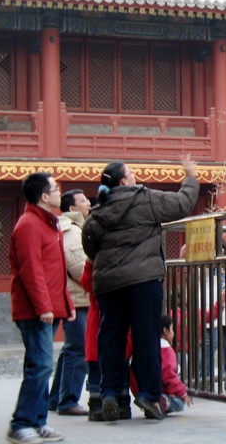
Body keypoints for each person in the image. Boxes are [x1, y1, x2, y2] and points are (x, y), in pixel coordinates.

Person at [83, 156, 199, 421]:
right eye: (132, 173)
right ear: (124, 181)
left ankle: (110, 392)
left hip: (109, 283)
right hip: (143, 280)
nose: (136, 176)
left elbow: (89, 243)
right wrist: (191, 177)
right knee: (146, 335)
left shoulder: (98, 211)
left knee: (111, 335)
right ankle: (149, 394)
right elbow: (181, 203)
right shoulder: (145, 199)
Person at [7, 172, 74, 444]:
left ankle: (38, 422)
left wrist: (66, 304)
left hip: (49, 306)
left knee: (41, 366)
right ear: (44, 196)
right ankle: (21, 423)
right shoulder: (29, 225)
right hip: (35, 310)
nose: (60, 193)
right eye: (55, 189)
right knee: (40, 365)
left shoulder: (49, 224)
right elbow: (31, 271)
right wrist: (43, 307)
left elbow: (57, 270)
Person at [48, 190, 92, 417]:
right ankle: (68, 400)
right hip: (77, 298)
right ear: (72, 209)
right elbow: (78, 267)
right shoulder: (71, 232)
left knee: (69, 350)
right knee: (77, 349)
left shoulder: (75, 229)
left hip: (76, 297)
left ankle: (56, 398)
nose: (88, 203)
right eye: (84, 201)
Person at [130, 315, 193, 415]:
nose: (173, 332)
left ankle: (151, 403)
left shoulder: (145, 348)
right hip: (159, 391)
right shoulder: (166, 351)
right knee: (180, 403)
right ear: (165, 331)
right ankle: (160, 402)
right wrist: (182, 393)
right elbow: (168, 375)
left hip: (139, 390)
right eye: (172, 329)